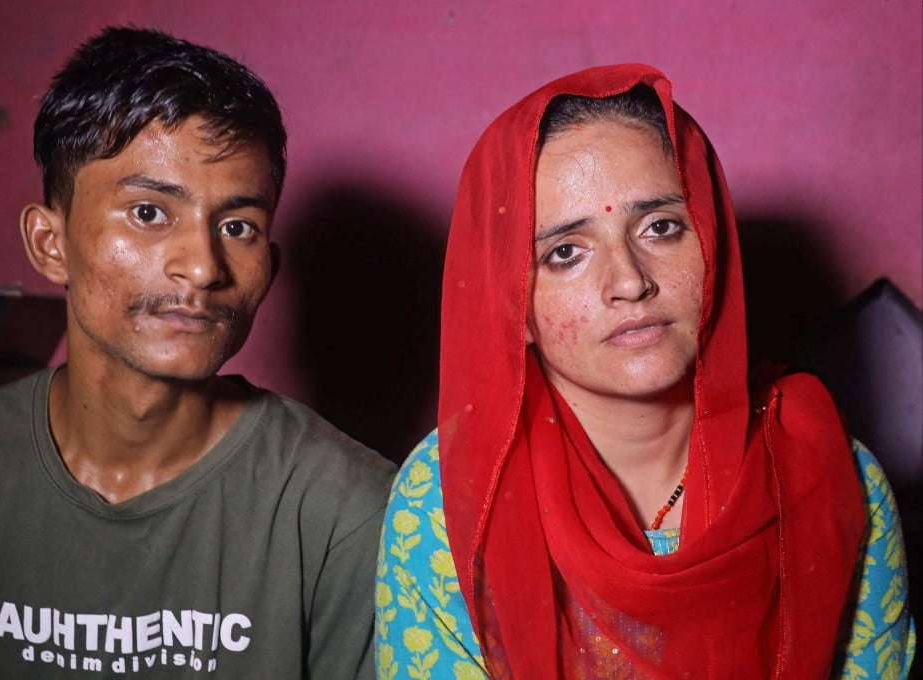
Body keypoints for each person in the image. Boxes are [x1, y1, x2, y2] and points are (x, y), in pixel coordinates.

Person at [376, 64, 915, 678]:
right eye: (566, 253)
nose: (630, 281)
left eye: (660, 228)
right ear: (511, 306)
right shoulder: (448, 501)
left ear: (712, 243)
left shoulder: (828, 474)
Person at [0, 27, 395, 679]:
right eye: (148, 213)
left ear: (269, 268)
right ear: (51, 244)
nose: (202, 266)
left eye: (238, 227)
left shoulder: (347, 510)